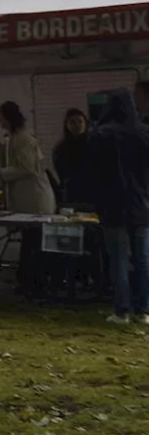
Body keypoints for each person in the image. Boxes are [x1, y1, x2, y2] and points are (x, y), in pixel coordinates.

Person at [85, 88, 149, 324]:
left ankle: (121, 310)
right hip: (142, 206)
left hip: (112, 206)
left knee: (119, 259)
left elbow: (91, 173)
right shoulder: (144, 133)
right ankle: (143, 310)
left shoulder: (99, 135)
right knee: (143, 259)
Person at [0, 100, 55, 296]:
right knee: (30, 241)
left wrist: (2, 172)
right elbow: (7, 159)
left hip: (34, 200)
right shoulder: (14, 138)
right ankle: (28, 280)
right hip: (27, 199)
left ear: (8, 118)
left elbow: (27, 168)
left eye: (1, 117)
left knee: (33, 241)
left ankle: (33, 282)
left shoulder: (23, 139)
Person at [52, 108, 92, 208]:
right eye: (72, 122)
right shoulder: (61, 148)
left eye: (80, 121)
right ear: (67, 125)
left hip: (91, 190)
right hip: (71, 190)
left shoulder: (93, 143)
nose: (77, 125)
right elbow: (60, 170)